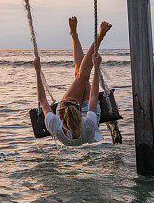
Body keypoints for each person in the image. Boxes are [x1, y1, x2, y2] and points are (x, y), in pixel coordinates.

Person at [34, 17, 112, 145]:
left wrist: (38, 71)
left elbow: (42, 100)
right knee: (82, 76)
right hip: (87, 120)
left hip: (79, 125)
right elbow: (93, 96)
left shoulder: (55, 125)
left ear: (62, 120)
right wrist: (96, 67)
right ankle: (98, 37)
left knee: (81, 75)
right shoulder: (89, 124)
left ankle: (75, 35)